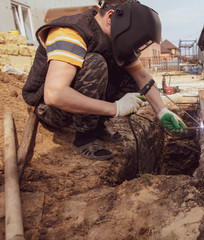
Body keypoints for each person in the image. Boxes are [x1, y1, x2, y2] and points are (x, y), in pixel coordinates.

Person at [22, 0, 187, 160]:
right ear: (110, 17)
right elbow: (54, 94)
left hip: (74, 101)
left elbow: (142, 77)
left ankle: (97, 125)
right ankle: (84, 137)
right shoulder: (71, 33)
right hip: (50, 109)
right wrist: (115, 108)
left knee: (129, 76)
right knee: (96, 63)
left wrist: (161, 111)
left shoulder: (116, 41)